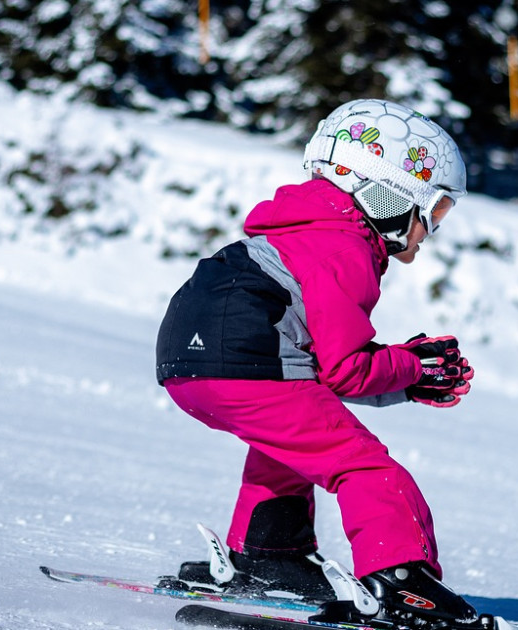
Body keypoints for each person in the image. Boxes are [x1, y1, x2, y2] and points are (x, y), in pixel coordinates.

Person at [155, 99, 482, 627]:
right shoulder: (344, 247)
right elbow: (345, 369)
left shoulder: (297, 233)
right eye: (436, 210)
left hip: (187, 365)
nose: (430, 230)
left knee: (293, 440)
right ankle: (401, 584)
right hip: (245, 362)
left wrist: (402, 375)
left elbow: (323, 371)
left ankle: (272, 554)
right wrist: (414, 369)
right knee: (365, 466)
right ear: (390, 194)